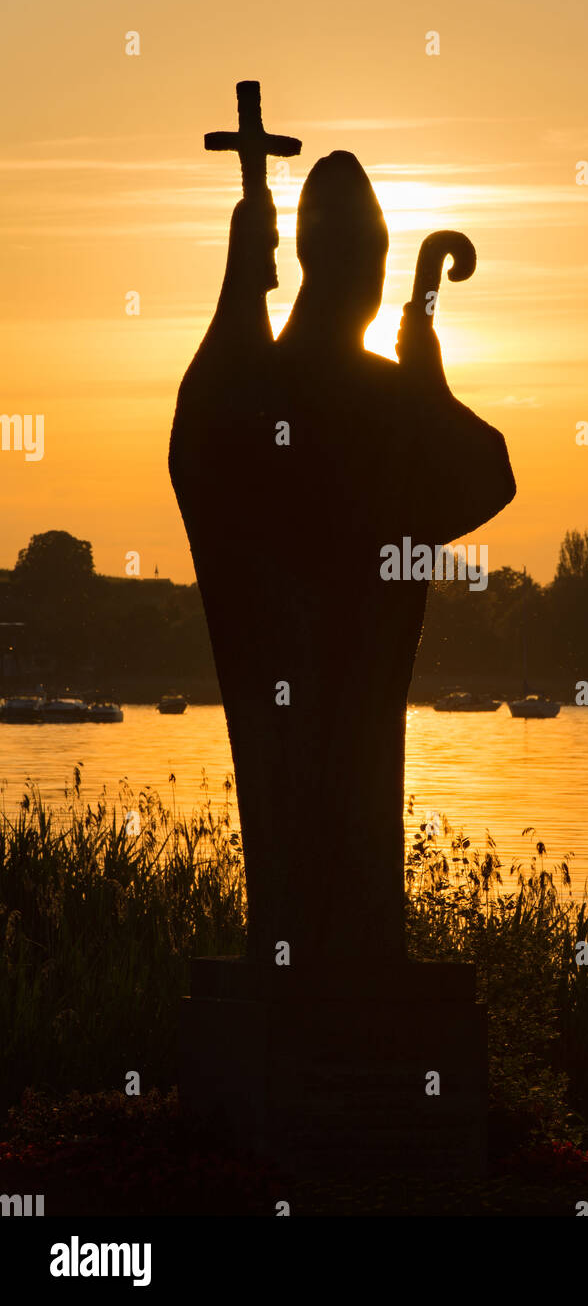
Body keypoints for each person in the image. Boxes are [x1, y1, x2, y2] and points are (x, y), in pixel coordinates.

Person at [170, 152, 515, 969]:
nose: (376, 272)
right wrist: (428, 390)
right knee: (345, 863)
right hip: (340, 682)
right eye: (376, 256)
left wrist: (423, 387)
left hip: (343, 682)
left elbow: (483, 478)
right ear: (342, 264)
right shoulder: (333, 390)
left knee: (333, 878)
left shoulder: (275, 384)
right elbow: (486, 475)